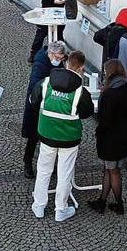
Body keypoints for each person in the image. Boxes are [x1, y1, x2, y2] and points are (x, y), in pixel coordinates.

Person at [30, 49, 95, 222]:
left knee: (43, 170)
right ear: (81, 68)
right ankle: (61, 209)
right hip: (69, 138)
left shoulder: (46, 83)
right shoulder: (81, 92)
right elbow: (87, 112)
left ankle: (39, 206)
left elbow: (33, 100)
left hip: (46, 133)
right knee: (65, 172)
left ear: (66, 63)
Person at [88, 58, 127, 215]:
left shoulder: (109, 94)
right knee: (111, 170)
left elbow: (105, 121)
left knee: (113, 171)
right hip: (124, 138)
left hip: (110, 140)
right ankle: (102, 201)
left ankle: (118, 204)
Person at [21, 40, 69, 179]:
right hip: (38, 104)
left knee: (49, 135)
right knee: (33, 136)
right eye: (58, 58)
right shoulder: (40, 63)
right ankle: (28, 162)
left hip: (50, 103)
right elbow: (35, 83)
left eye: (61, 58)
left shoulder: (57, 60)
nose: (60, 61)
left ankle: (49, 163)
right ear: (52, 54)